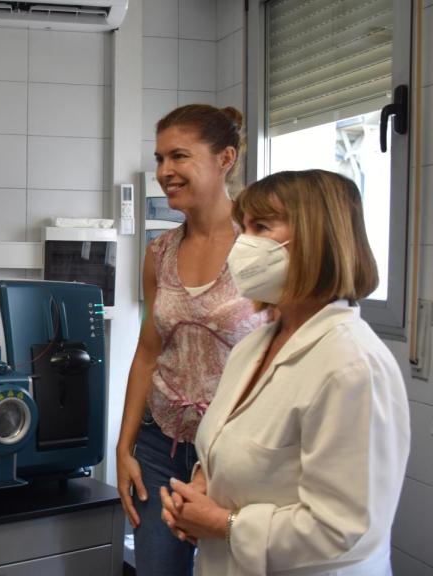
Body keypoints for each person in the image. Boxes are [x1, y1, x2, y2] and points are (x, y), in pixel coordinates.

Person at [160, 169, 411, 575]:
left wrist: (222, 523)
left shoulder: (351, 366)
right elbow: (234, 448)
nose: (243, 244)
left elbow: (343, 528)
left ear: (317, 239)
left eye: (261, 227)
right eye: (244, 228)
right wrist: (202, 489)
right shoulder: (254, 347)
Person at [116, 104, 269, 576]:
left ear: (225, 158)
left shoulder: (262, 247)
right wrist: (124, 448)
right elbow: (148, 352)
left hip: (238, 447)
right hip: (161, 445)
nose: (165, 171)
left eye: (179, 156)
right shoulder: (159, 253)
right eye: (160, 158)